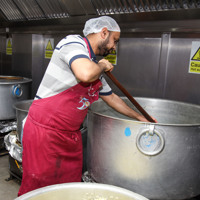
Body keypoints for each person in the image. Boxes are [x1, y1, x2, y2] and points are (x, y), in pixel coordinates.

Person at [18, 16, 157, 196]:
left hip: (69, 138)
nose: (114, 47)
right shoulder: (72, 43)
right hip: (44, 133)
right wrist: (100, 65)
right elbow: (84, 74)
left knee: (69, 191)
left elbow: (112, 98)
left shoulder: (93, 67)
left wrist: (139, 116)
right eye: (114, 40)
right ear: (103, 32)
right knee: (38, 189)